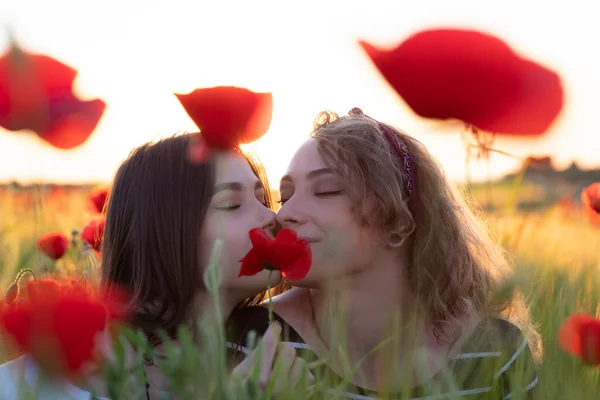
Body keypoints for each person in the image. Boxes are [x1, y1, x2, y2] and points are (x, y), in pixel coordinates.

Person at [227, 109, 540, 399]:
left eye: (326, 190)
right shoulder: (251, 340)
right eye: (285, 197)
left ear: (400, 223)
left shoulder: (495, 351)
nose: (285, 215)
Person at [0, 133, 312, 399]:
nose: (271, 218)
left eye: (264, 200)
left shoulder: (272, 364)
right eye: (232, 204)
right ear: (163, 230)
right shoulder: (28, 385)